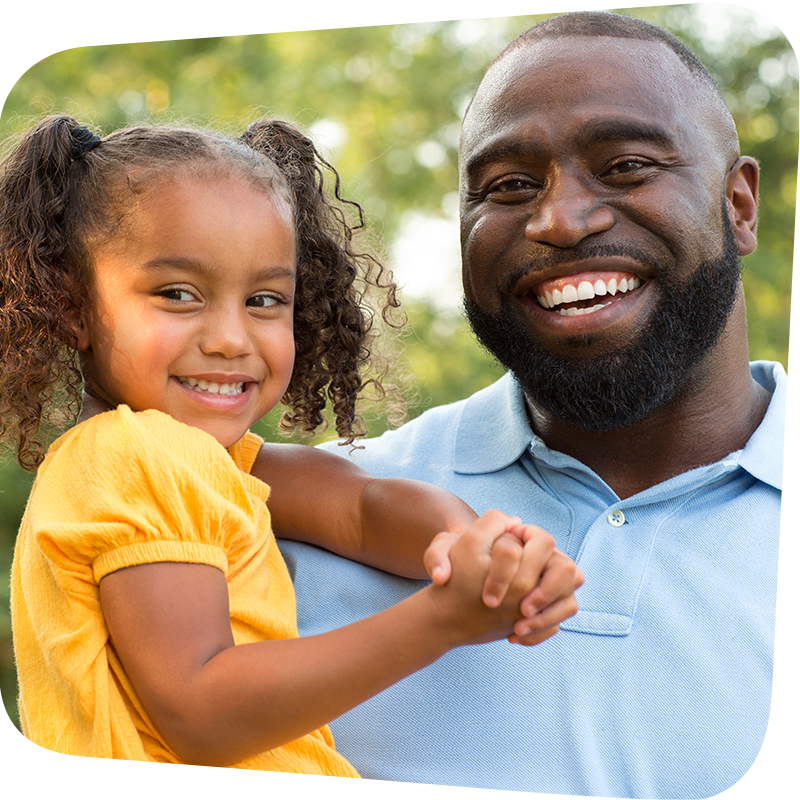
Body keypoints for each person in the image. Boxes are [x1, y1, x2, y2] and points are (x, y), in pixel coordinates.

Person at [277, 12, 785, 797]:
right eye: (510, 185)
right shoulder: (296, 524)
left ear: (739, 205)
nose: (559, 220)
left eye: (625, 166)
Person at [0, 114, 585, 771]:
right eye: (177, 294)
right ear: (73, 306)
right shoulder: (129, 455)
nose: (230, 337)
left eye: (264, 299)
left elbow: (362, 510)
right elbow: (202, 713)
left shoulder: (203, 461)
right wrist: (441, 618)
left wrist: (469, 547)